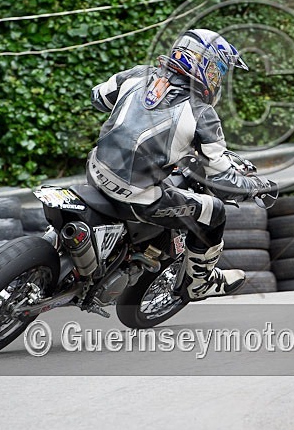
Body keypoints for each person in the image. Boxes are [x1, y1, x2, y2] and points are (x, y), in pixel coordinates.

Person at [87, 28, 278, 301]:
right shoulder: (202, 113)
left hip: (94, 171)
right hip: (134, 197)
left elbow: (98, 97)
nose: (218, 79)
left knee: (164, 181)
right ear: (204, 65)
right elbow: (224, 183)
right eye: (217, 71)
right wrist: (257, 186)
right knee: (214, 212)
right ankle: (200, 283)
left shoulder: (139, 75)